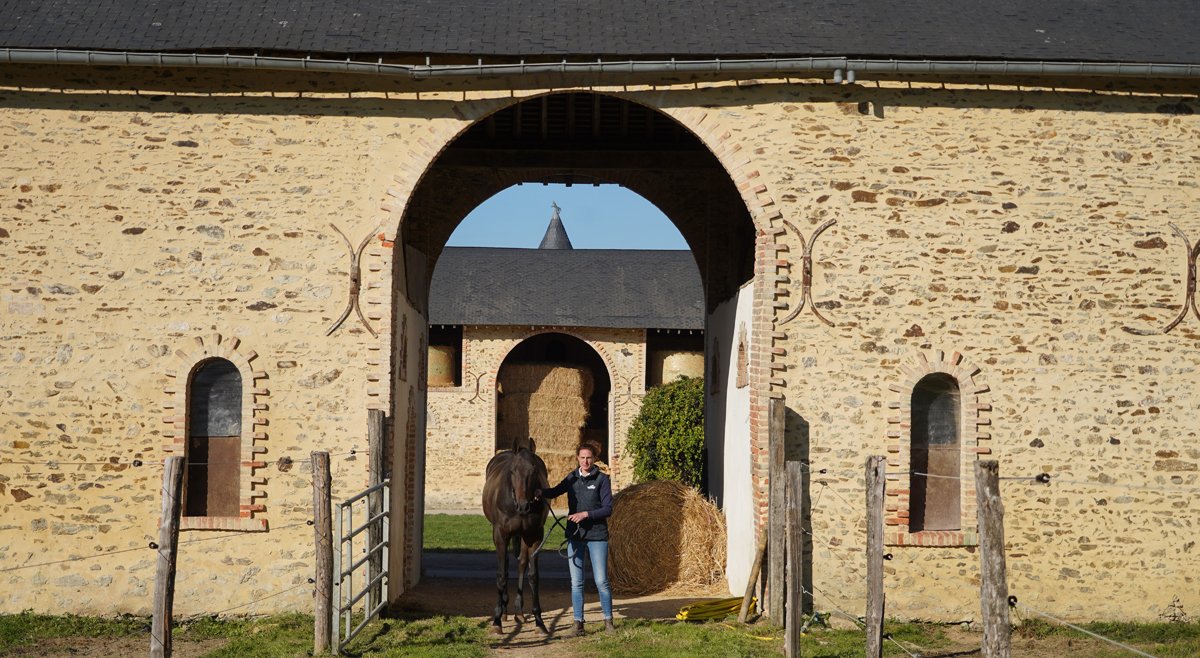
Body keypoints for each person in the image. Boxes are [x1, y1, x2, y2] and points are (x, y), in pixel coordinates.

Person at [535, 441, 615, 636]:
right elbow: (555, 491)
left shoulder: (602, 479)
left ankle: (608, 622)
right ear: (577, 458)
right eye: (582, 458)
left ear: (594, 459)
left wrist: (585, 514)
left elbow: (608, 509)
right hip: (575, 536)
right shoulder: (572, 477)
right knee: (576, 582)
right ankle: (578, 624)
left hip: (597, 536)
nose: (585, 461)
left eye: (589, 458)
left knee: (601, 581)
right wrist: (540, 492)